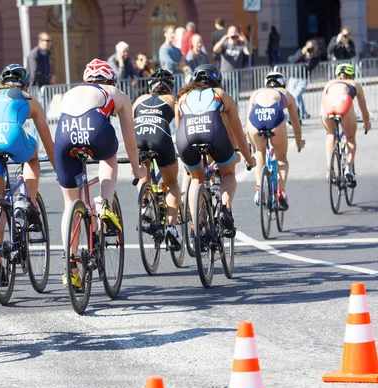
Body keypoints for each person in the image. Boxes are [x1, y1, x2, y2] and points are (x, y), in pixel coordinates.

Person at [54, 59, 145, 288]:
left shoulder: (71, 91)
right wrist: (137, 169)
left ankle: (70, 266)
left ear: (87, 80)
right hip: (95, 132)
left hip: (65, 137)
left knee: (70, 204)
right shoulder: (115, 92)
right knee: (108, 156)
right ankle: (103, 203)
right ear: (110, 79)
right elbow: (130, 142)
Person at [0, 64, 56, 284]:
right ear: (26, 84)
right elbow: (49, 144)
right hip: (10, 136)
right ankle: (27, 202)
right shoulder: (29, 100)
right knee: (33, 155)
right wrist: (60, 171)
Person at [175, 64, 255, 238]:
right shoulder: (221, 94)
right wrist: (249, 159)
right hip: (214, 135)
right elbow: (238, 134)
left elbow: (178, 127)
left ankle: (197, 224)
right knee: (228, 174)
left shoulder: (182, 98)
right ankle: (225, 209)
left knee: (196, 178)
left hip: (186, 139)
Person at [133, 69, 182, 249]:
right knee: (171, 183)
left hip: (138, 136)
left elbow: (132, 122)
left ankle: (145, 203)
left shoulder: (139, 100)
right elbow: (180, 127)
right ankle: (171, 227)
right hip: (160, 136)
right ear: (170, 87)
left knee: (143, 170)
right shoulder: (172, 100)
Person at [246, 72, 304, 210]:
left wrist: (250, 146)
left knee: (260, 151)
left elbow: (248, 122)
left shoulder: (256, 93)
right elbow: (295, 122)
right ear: (283, 84)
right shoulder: (285, 93)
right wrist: (298, 141)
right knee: (281, 157)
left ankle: (259, 189)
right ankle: (281, 191)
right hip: (274, 117)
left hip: (256, 119)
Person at [320, 63, 371, 186]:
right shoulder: (354, 84)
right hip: (344, 105)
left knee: (331, 134)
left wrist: (326, 126)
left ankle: (329, 169)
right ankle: (348, 168)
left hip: (328, 109)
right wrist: (366, 123)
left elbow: (322, 105)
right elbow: (363, 109)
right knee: (350, 138)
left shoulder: (329, 83)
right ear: (352, 76)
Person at [287, 40, 320, 121]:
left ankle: (297, 113)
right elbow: (292, 60)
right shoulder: (300, 52)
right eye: (309, 48)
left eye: (313, 48)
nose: (310, 50)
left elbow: (310, 67)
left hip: (303, 79)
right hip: (293, 78)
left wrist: (310, 57)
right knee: (296, 96)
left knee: (296, 95)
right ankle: (302, 113)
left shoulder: (315, 57)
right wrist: (302, 53)